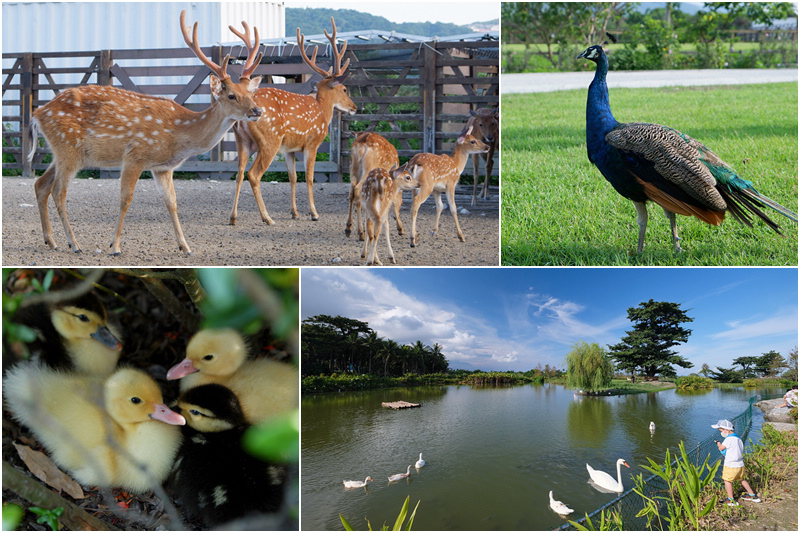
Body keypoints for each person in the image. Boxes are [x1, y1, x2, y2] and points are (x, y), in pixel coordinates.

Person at [712, 419, 760, 506]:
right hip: (740, 465)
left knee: (727, 481)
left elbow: (721, 448)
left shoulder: (728, 439)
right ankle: (752, 495)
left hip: (731, 465)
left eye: (721, 431)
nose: (721, 433)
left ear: (726, 430)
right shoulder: (738, 439)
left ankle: (731, 500)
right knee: (741, 479)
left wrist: (718, 443)